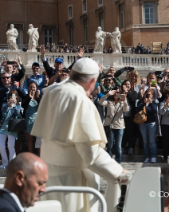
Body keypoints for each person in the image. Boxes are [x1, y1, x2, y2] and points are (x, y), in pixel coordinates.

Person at [31, 58, 129, 212]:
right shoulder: (80, 100)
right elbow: (91, 154)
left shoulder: (52, 92)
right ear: (92, 82)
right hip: (72, 183)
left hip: (48, 177)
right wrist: (118, 172)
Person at [99, 87, 129, 163]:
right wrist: (107, 94)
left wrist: (124, 99)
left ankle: (118, 161)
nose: (117, 94)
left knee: (118, 146)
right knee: (110, 145)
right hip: (110, 125)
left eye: (118, 93)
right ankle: (109, 161)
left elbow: (126, 110)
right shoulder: (109, 102)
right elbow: (101, 102)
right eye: (115, 93)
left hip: (119, 126)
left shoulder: (122, 102)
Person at [0, 90, 21, 169]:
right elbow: (2, 112)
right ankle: (5, 163)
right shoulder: (4, 104)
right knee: (1, 145)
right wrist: (7, 106)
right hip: (3, 128)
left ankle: (12, 163)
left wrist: (14, 106)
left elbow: (18, 114)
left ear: (16, 97)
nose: (11, 97)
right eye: (10, 96)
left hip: (12, 128)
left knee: (10, 145)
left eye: (14, 95)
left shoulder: (18, 106)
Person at [136, 89, 158, 163]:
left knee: (152, 141)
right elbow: (137, 110)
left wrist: (150, 103)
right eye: (147, 94)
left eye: (149, 94)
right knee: (145, 141)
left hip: (151, 123)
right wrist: (144, 104)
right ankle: (147, 157)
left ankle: (153, 156)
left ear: (152, 95)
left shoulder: (154, 102)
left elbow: (154, 111)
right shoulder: (140, 102)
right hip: (142, 124)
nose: (148, 96)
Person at [22, 81, 41, 153]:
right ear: (28, 88)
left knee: (38, 138)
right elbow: (23, 106)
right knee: (29, 138)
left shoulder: (38, 96)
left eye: (34, 87)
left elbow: (42, 106)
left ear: (36, 88)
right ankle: (30, 153)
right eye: (30, 87)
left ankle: (40, 155)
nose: (32, 89)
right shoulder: (26, 96)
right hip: (28, 119)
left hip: (37, 118)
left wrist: (38, 98)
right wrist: (29, 98)